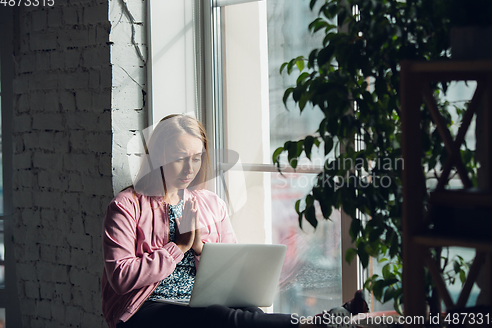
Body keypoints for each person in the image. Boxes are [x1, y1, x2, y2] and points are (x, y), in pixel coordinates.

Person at [101, 114, 326, 328]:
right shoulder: (126, 206)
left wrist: (200, 249)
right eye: (180, 159)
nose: (190, 169)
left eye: (197, 158)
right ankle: (312, 324)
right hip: (146, 307)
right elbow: (120, 278)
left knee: (252, 312)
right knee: (217, 317)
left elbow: (232, 269)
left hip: (199, 300)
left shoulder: (210, 203)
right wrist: (178, 247)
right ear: (158, 156)